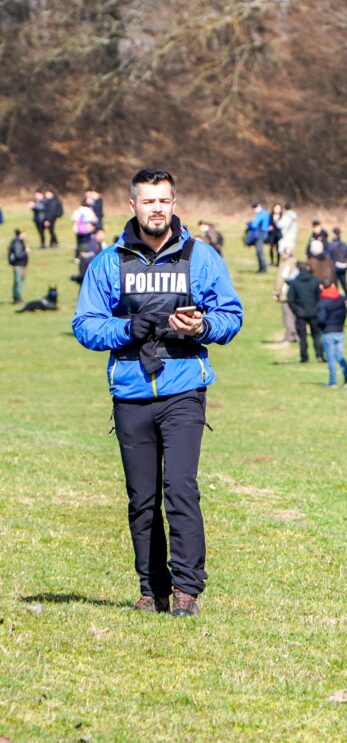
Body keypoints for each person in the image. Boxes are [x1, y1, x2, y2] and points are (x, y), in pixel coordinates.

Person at [72, 167, 243, 616]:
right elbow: (85, 325)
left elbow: (231, 316)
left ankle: (187, 589)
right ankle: (153, 591)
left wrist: (204, 325)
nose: (156, 208)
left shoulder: (201, 258)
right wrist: (127, 328)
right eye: (148, 201)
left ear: (173, 202)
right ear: (132, 206)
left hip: (184, 387)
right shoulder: (109, 262)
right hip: (130, 391)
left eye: (164, 200)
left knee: (180, 489)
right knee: (141, 497)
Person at [316, 281, 347, 388]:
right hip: (339, 330)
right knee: (339, 355)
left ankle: (333, 381)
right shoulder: (340, 298)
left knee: (331, 357)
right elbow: (344, 313)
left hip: (328, 331)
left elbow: (321, 319)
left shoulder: (323, 301)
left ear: (322, 287)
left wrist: (321, 327)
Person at [286, 262, 324, 363]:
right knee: (317, 335)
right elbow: (320, 296)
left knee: (302, 336)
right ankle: (319, 355)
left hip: (300, 313)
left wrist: (296, 310)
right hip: (314, 312)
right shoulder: (315, 281)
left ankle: (304, 357)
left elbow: (290, 299)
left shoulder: (294, 282)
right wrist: (317, 308)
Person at [327, 227, 347, 300]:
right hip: (343, 268)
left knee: (335, 285)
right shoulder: (344, 245)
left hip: (334, 268)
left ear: (334, 234)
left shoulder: (331, 245)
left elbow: (328, 256)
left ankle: (336, 299)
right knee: (344, 285)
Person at [246, 203, 271, 273]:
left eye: (255, 208)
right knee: (259, 251)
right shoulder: (265, 213)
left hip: (261, 234)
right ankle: (261, 268)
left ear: (259, 206)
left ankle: (263, 268)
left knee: (259, 251)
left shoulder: (261, 214)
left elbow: (254, 225)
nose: (254, 210)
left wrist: (248, 225)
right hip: (263, 233)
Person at [8, 228, 28, 304]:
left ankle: (16, 298)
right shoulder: (17, 243)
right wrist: (26, 251)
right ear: (20, 234)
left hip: (20, 265)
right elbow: (18, 255)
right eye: (24, 233)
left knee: (18, 282)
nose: (25, 235)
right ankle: (18, 298)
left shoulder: (17, 241)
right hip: (19, 265)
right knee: (18, 282)